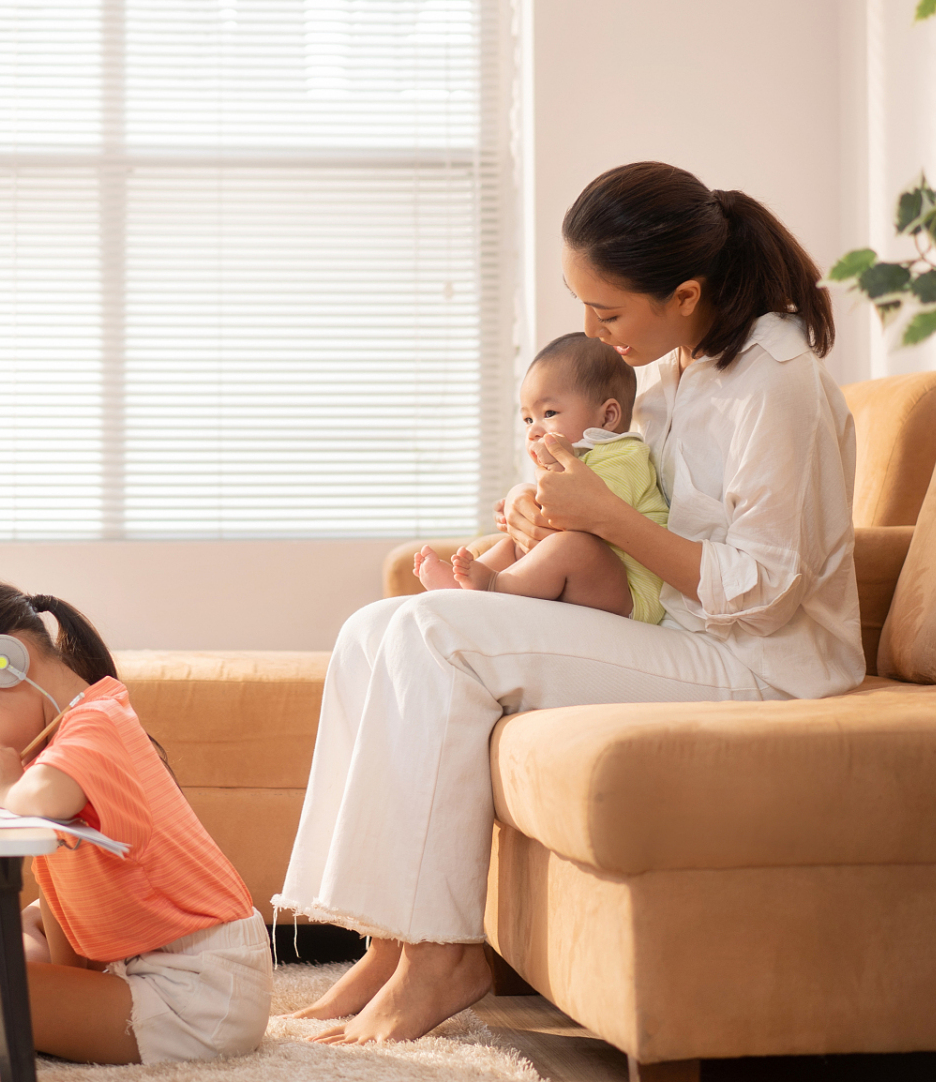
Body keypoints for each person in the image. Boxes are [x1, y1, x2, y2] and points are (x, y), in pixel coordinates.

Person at [274, 161, 864, 1044]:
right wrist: (548, 508)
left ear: (688, 291)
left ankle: (445, 956)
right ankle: (390, 941)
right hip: (679, 628)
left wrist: (607, 519)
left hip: (759, 664)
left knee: (436, 636)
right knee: (377, 627)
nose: (591, 330)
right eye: (581, 303)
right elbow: (624, 507)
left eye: (609, 312)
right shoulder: (682, 374)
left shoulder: (779, 383)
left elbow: (767, 591)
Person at [0, 577, 272, 1065]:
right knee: (23, 927)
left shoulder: (95, 722)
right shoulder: (68, 730)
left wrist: (3, 788)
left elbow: (45, 796)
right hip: (147, 961)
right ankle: (45, 1019)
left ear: (7, 663)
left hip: (199, 992)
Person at [414, 331, 669, 619]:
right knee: (517, 543)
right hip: (586, 580)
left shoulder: (624, 455)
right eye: (527, 419)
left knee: (572, 546)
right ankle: (460, 588)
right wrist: (518, 512)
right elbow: (547, 520)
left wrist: (550, 478)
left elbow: (587, 514)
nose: (534, 429)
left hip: (631, 590)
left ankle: (494, 584)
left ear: (607, 417)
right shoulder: (579, 458)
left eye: (548, 413)